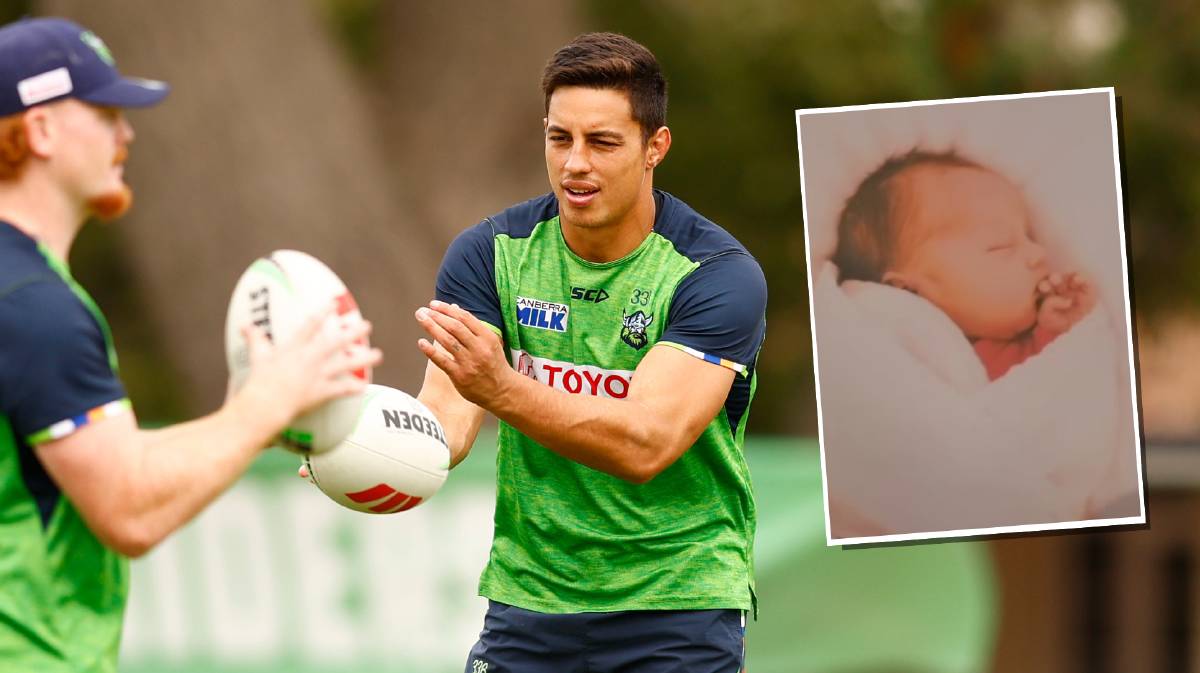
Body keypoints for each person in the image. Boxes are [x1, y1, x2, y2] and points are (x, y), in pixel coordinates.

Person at [0, 17, 380, 673]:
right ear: (40, 129)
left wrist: (253, 421)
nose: (127, 132)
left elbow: (100, 463)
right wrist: (262, 405)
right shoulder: (33, 303)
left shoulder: (24, 287)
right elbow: (127, 507)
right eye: (105, 111)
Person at [414, 32, 767, 672]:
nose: (576, 163)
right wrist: (359, 443)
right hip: (530, 600)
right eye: (560, 139)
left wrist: (501, 389)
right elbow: (446, 422)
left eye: (602, 142)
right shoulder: (488, 253)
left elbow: (644, 443)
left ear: (654, 146)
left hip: (676, 605)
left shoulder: (715, 273)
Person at [833, 149, 1095, 380]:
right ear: (906, 292)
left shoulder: (1024, 352)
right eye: (1000, 246)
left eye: (1030, 236)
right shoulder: (880, 350)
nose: (1039, 253)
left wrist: (1058, 331)